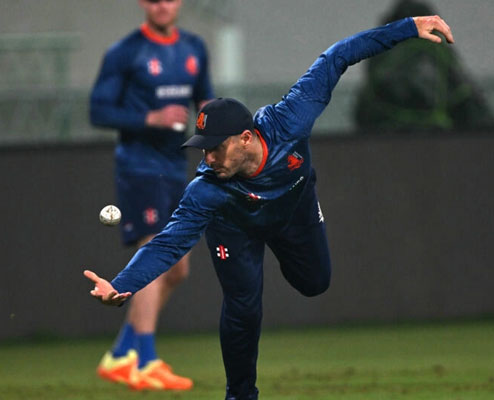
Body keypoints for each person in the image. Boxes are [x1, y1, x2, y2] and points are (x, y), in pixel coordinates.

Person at [84, 15, 454, 400]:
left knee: (315, 283)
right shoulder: (206, 190)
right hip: (235, 227)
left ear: (246, 138)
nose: (208, 157)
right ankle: (240, 395)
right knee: (243, 308)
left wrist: (408, 27)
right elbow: (166, 245)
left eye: (216, 147)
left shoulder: (290, 120)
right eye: (203, 148)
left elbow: (336, 57)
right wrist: (121, 284)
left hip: (294, 210)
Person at [89, 0, 214, 391]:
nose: (162, 5)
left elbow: (205, 100)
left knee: (176, 269)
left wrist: (214, 126)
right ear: (144, 3)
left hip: (176, 167)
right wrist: (150, 118)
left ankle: (121, 354)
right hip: (139, 166)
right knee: (154, 253)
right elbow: (99, 110)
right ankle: (145, 360)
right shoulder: (125, 52)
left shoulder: (194, 48)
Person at [354, 0, 494, 132]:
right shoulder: (438, 55)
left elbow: (363, 114)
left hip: (392, 143)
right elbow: (475, 112)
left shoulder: (385, 58)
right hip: (440, 142)